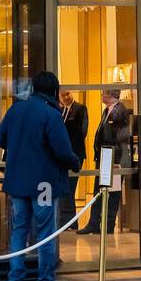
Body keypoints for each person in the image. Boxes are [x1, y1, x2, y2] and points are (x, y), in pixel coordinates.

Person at [0, 71, 80, 281]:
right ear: (53, 89)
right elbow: (62, 149)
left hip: (16, 181)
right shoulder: (50, 114)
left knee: (19, 231)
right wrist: (75, 162)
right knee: (45, 234)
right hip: (44, 183)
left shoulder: (16, 109)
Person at [81, 89, 131, 235]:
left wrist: (118, 161)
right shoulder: (106, 111)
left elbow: (122, 138)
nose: (102, 95)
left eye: (103, 93)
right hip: (105, 157)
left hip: (114, 158)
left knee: (113, 193)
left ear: (110, 95)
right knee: (98, 190)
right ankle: (94, 223)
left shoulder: (120, 111)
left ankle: (108, 225)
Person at [59, 90, 88, 226]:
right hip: (63, 155)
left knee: (71, 187)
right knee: (66, 188)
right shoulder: (60, 110)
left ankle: (69, 221)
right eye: (63, 95)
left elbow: (82, 131)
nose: (66, 97)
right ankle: (68, 221)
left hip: (75, 153)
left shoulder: (80, 109)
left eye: (68, 94)